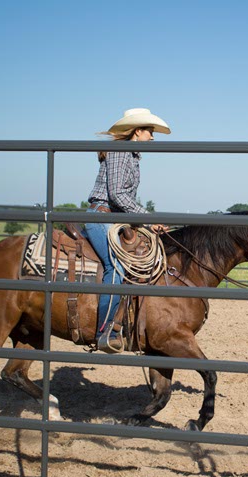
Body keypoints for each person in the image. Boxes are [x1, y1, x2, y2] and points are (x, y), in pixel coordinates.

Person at [84, 108, 170, 353]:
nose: (153, 138)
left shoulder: (131, 155)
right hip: (102, 216)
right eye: (150, 132)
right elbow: (117, 194)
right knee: (116, 267)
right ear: (138, 131)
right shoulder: (122, 152)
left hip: (114, 218)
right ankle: (105, 330)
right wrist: (147, 219)